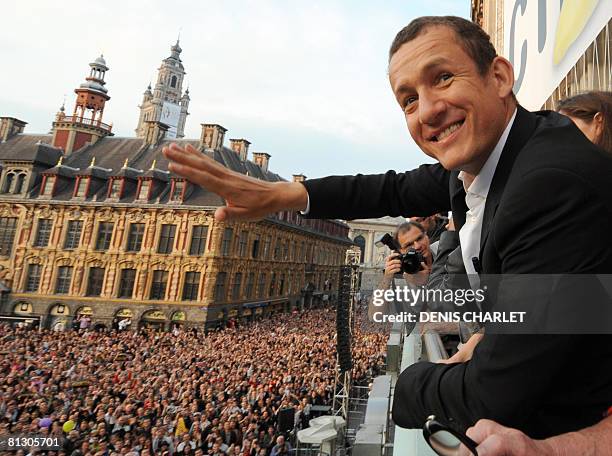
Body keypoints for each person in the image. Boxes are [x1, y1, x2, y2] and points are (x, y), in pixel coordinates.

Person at [162, 15, 612, 439]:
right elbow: (393, 189)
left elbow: (491, 396)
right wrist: (288, 195)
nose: (428, 110)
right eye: (409, 99)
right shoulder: (496, 155)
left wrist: (405, 385)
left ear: (498, 77)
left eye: (443, 77)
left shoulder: (550, 184)